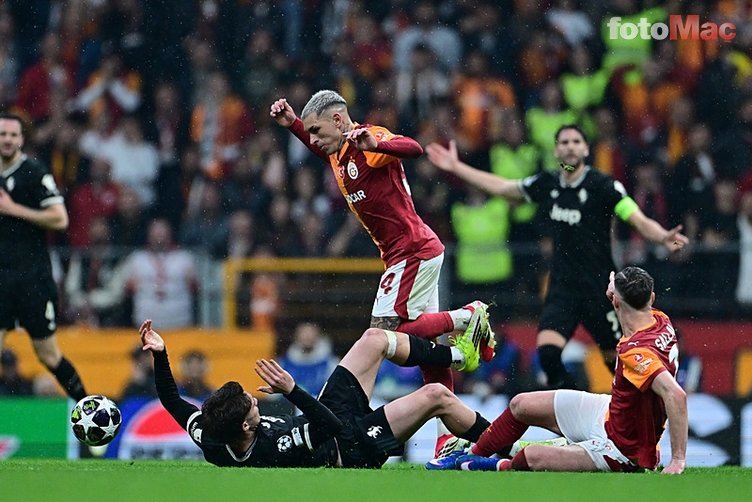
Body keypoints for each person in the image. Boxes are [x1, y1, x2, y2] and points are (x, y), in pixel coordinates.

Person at [271, 90, 494, 454]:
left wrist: (377, 143)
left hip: (411, 252)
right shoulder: (337, 152)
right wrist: (293, 123)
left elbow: (414, 148)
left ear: (338, 121)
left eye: (316, 130)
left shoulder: (367, 140)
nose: (314, 140)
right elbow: (320, 146)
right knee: (423, 350)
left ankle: (467, 316)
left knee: (383, 338)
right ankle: (447, 438)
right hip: (408, 254)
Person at [426, 126, 689, 390]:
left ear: (585, 149)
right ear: (555, 151)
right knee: (548, 356)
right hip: (562, 289)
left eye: (576, 141)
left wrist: (663, 237)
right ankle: (574, 405)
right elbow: (504, 187)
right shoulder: (548, 183)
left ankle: (638, 406)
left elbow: (636, 218)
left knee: (618, 363)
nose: (570, 146)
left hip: (601, 290)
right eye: (564, 142)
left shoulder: (603, 186)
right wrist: (457, 167)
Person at [429, 266, 688, 474]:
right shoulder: (659, 318)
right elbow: (628, 300)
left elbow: (676, 394)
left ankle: (494, 464)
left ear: (616, 301)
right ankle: (470, 455)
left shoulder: (637, 352)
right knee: (521, 404)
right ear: (651, 298)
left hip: (622, 449)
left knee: (532, 456)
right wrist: (616, 287)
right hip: (610, 414)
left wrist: (677, 460)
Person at [138, 316, 490, 468]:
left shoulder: (211, 433)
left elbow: (171, 400)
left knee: (373, 339)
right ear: (245, 426)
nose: (255, 401)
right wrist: (291, 389)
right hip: (351, 446)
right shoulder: (274, 447)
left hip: (324, 412)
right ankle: (503, 445)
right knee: (436, 397)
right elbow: (332, 427)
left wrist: (160, 353)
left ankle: (460, 356)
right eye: (251, 406)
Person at [0, 113, 88, 402]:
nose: (7, 140)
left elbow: (60, 219)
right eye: (2, 134)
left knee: (48, 355)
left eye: (13, 135)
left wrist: (14, 210)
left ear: (22, 139)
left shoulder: (34, 173)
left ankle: (89, 411)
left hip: (31, 279)